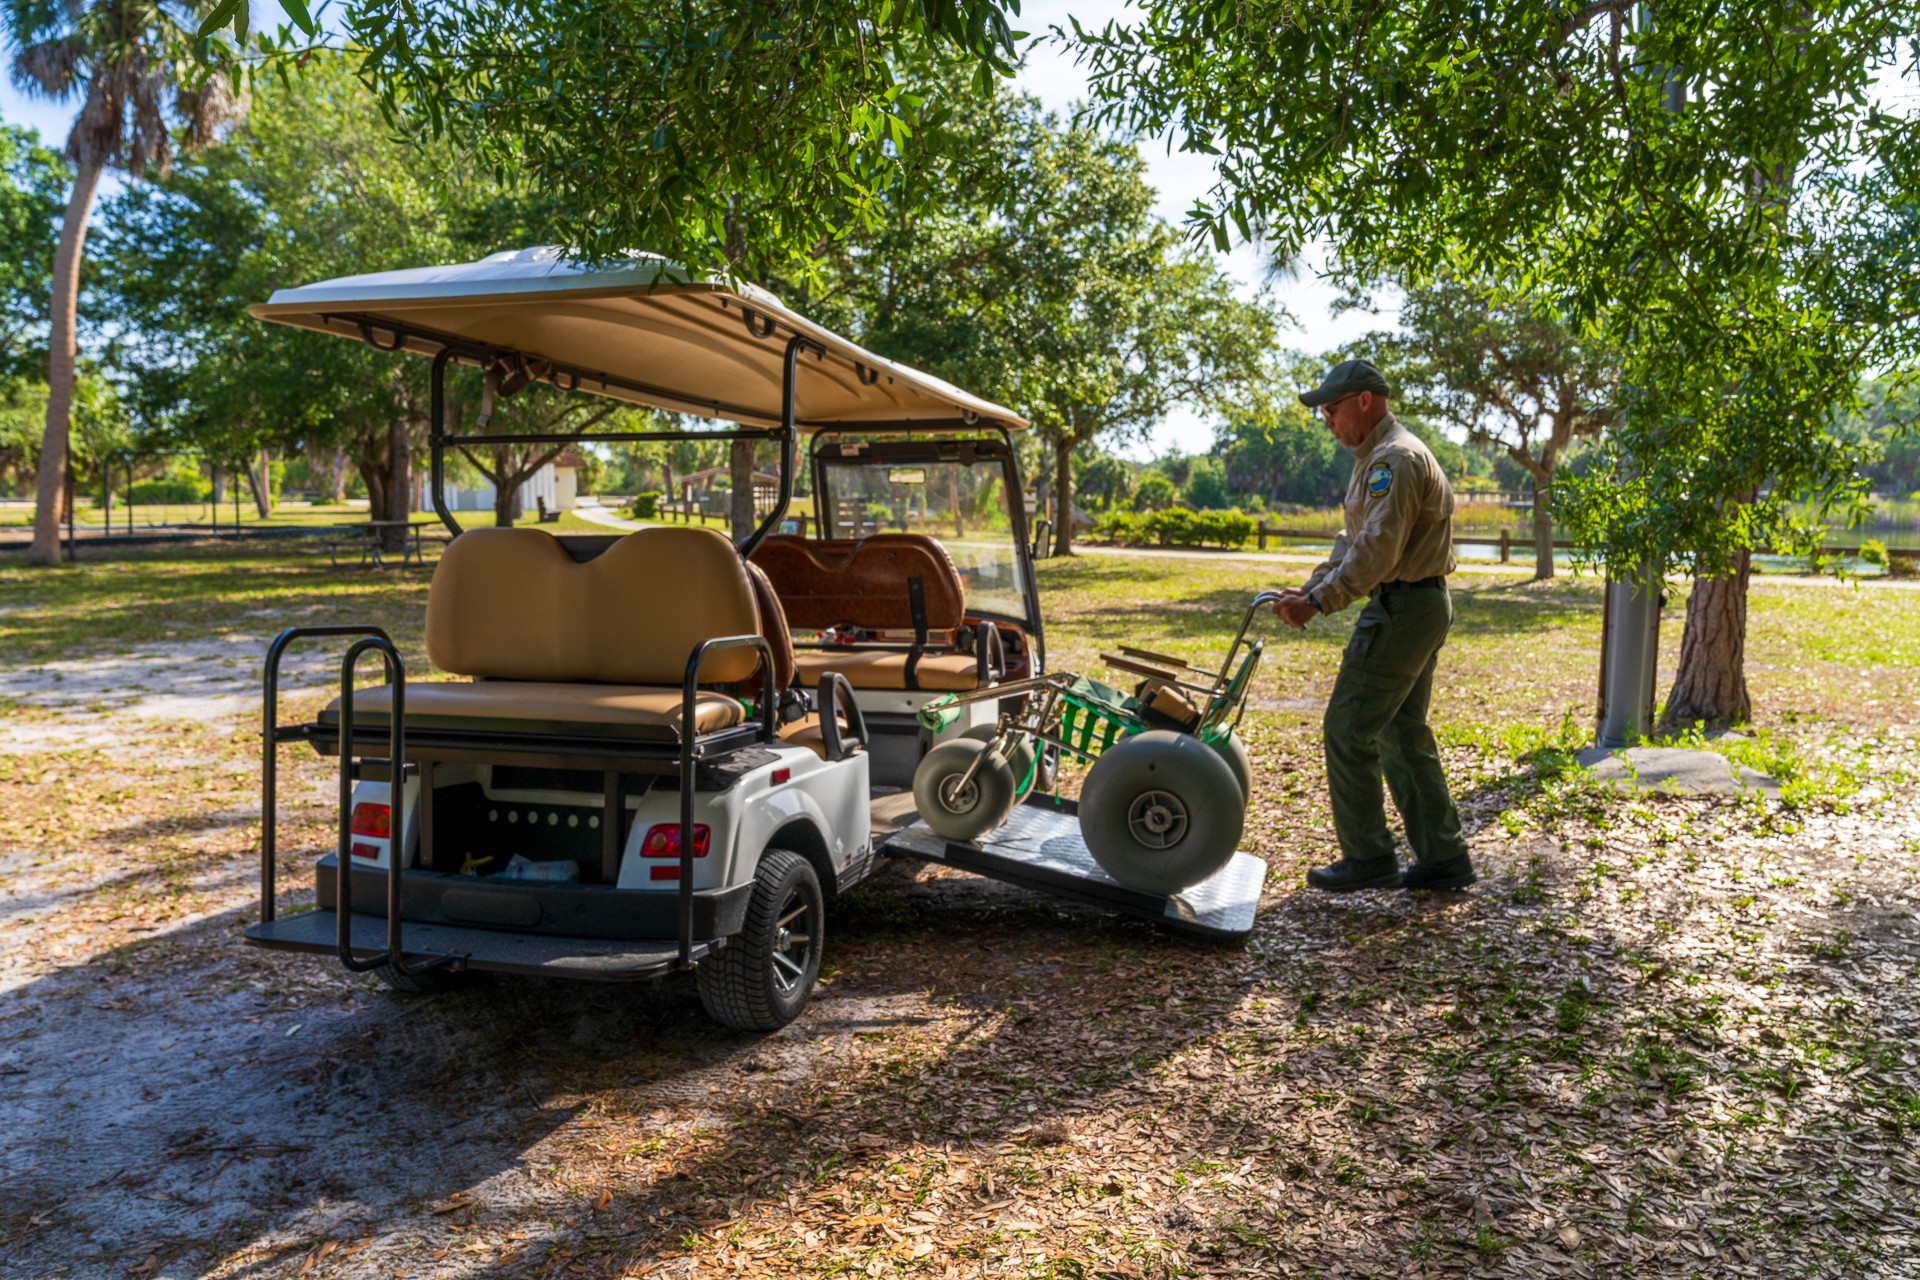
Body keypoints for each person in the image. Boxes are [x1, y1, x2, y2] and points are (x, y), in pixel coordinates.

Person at [1272, 359, 1475, 892]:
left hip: (1404, 606)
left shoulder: (1394, 459)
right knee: (1400, 733)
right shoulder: (1373, 459)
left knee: (1347, 727)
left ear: (1365, 400)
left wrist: (1321, 603)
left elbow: (1378, 551)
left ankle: (1368, 856)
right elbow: (1353, 540)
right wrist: (1311, 588)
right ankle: (1443, 858)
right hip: (1414, 603)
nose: (1328, 423)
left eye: (1332, 410)